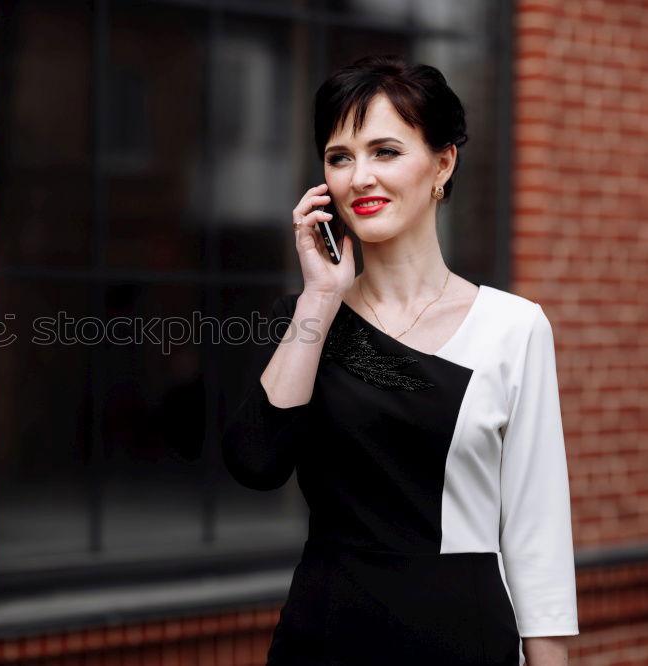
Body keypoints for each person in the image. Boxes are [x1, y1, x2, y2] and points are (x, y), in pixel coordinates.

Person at [221, 54, 578, 666]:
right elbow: (256, 461)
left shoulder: (513, 327)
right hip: (325, 636)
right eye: (340, 157)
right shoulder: (304, 318)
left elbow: (536, 535)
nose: (360, 176)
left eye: (385, 151)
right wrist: (322, 296)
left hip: (461, 640)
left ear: (442, 163)